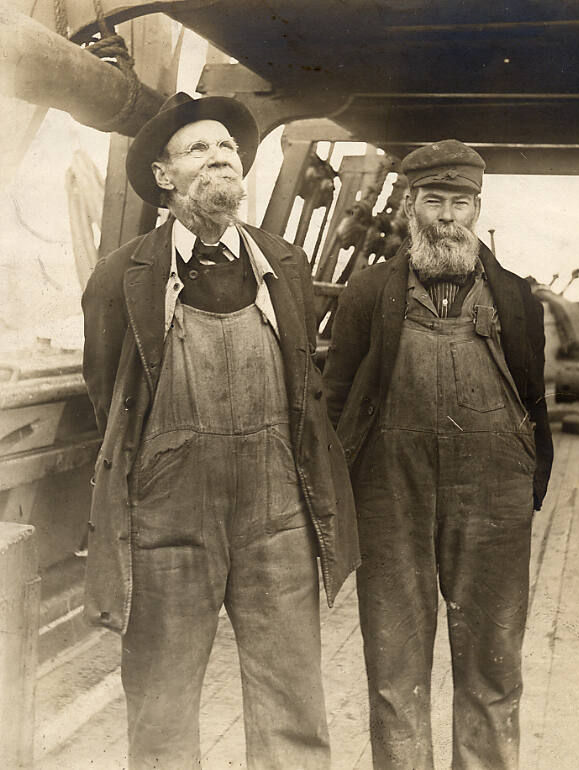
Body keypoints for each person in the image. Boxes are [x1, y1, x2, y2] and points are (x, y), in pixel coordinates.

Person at [81, 92, 359, 770]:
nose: (218, 159)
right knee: (161, 703)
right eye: (198, 150)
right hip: (169, 521)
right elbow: (106, 393)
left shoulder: (283, 264)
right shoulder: (124, 275)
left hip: (278, 517)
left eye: (227, 150)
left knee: (294, 701)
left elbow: (303, 382)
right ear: (164, 177)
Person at [323, 140, 553, 770]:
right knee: (395, 663)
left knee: (493, 661)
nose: (446, 215)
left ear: (477, 208)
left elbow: (532, 394)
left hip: (494, 494)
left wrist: (528, 478)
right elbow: (339, 395)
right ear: (411, 207)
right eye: (433, 200)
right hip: (390, 491)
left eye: (459, 202)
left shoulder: (515, 298)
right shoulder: (368, 293)